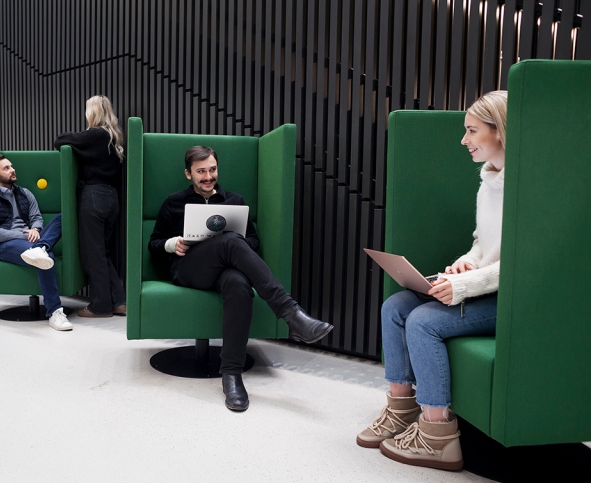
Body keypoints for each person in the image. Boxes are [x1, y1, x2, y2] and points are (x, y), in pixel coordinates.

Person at [356, 90, 508, 471]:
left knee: (422, 322)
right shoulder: (489, 180)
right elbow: (482, 244)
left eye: (472, 131)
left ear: (500, 131)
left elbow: (524, 265)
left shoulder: (529, 187)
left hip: (510, 299)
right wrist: (463, 265)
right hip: (482, 286)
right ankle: (401, 409)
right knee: (395, 307)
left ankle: (437, 434)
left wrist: (464, 287)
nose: (464, 140)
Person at [149, 145, 335, 412]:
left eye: (212, 169)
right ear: (188, 174)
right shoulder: (173, 202)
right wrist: (171, 244)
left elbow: (254, 240)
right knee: (231, 242)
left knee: (238, 283)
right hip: (188, 269)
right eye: (201, 171)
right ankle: (290, 313)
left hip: (225, 270)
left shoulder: (234, 201)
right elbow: (152, 243)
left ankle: (232, 375)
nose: (208, 176)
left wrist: (232, 242)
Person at [0, 153, 72, 331]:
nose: (12, 170)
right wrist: (24, 235)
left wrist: (36, 230)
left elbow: (36, 218)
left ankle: (41, 246)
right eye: (6, 168)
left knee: (62, 217)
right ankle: (55, 312)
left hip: (30, 239)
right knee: (45, 256)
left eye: (12, 166)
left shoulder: (25, 193)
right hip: (3, 244)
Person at [54, 95, 126, 318]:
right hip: (112, 198)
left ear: (92, 112)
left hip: (93, 196)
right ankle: (119, 301)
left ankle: (101, 306)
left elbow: (60, 140)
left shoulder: (95, 134)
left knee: (92, 256)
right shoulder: (115, 137)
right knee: (102, 253)